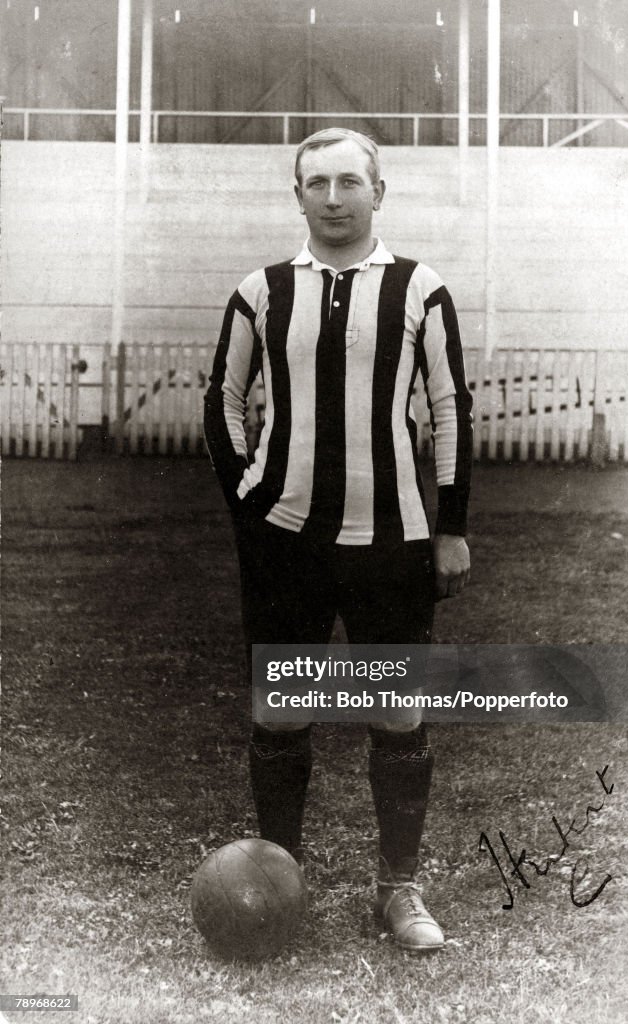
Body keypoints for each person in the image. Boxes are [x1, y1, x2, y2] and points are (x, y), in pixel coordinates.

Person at [204, 128, 473, 952]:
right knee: (283, 716)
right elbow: (222, 400)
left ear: (378, 193)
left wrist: (452, 527)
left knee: (397, 715)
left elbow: (454, 408)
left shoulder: (421, 289)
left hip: (393, 542)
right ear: (298, 196)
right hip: (286, 543)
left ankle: (399, 891)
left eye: (349, 181)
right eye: (315, 182)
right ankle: (276, 885)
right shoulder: (261, 289)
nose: (332, 196)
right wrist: (250, 509)